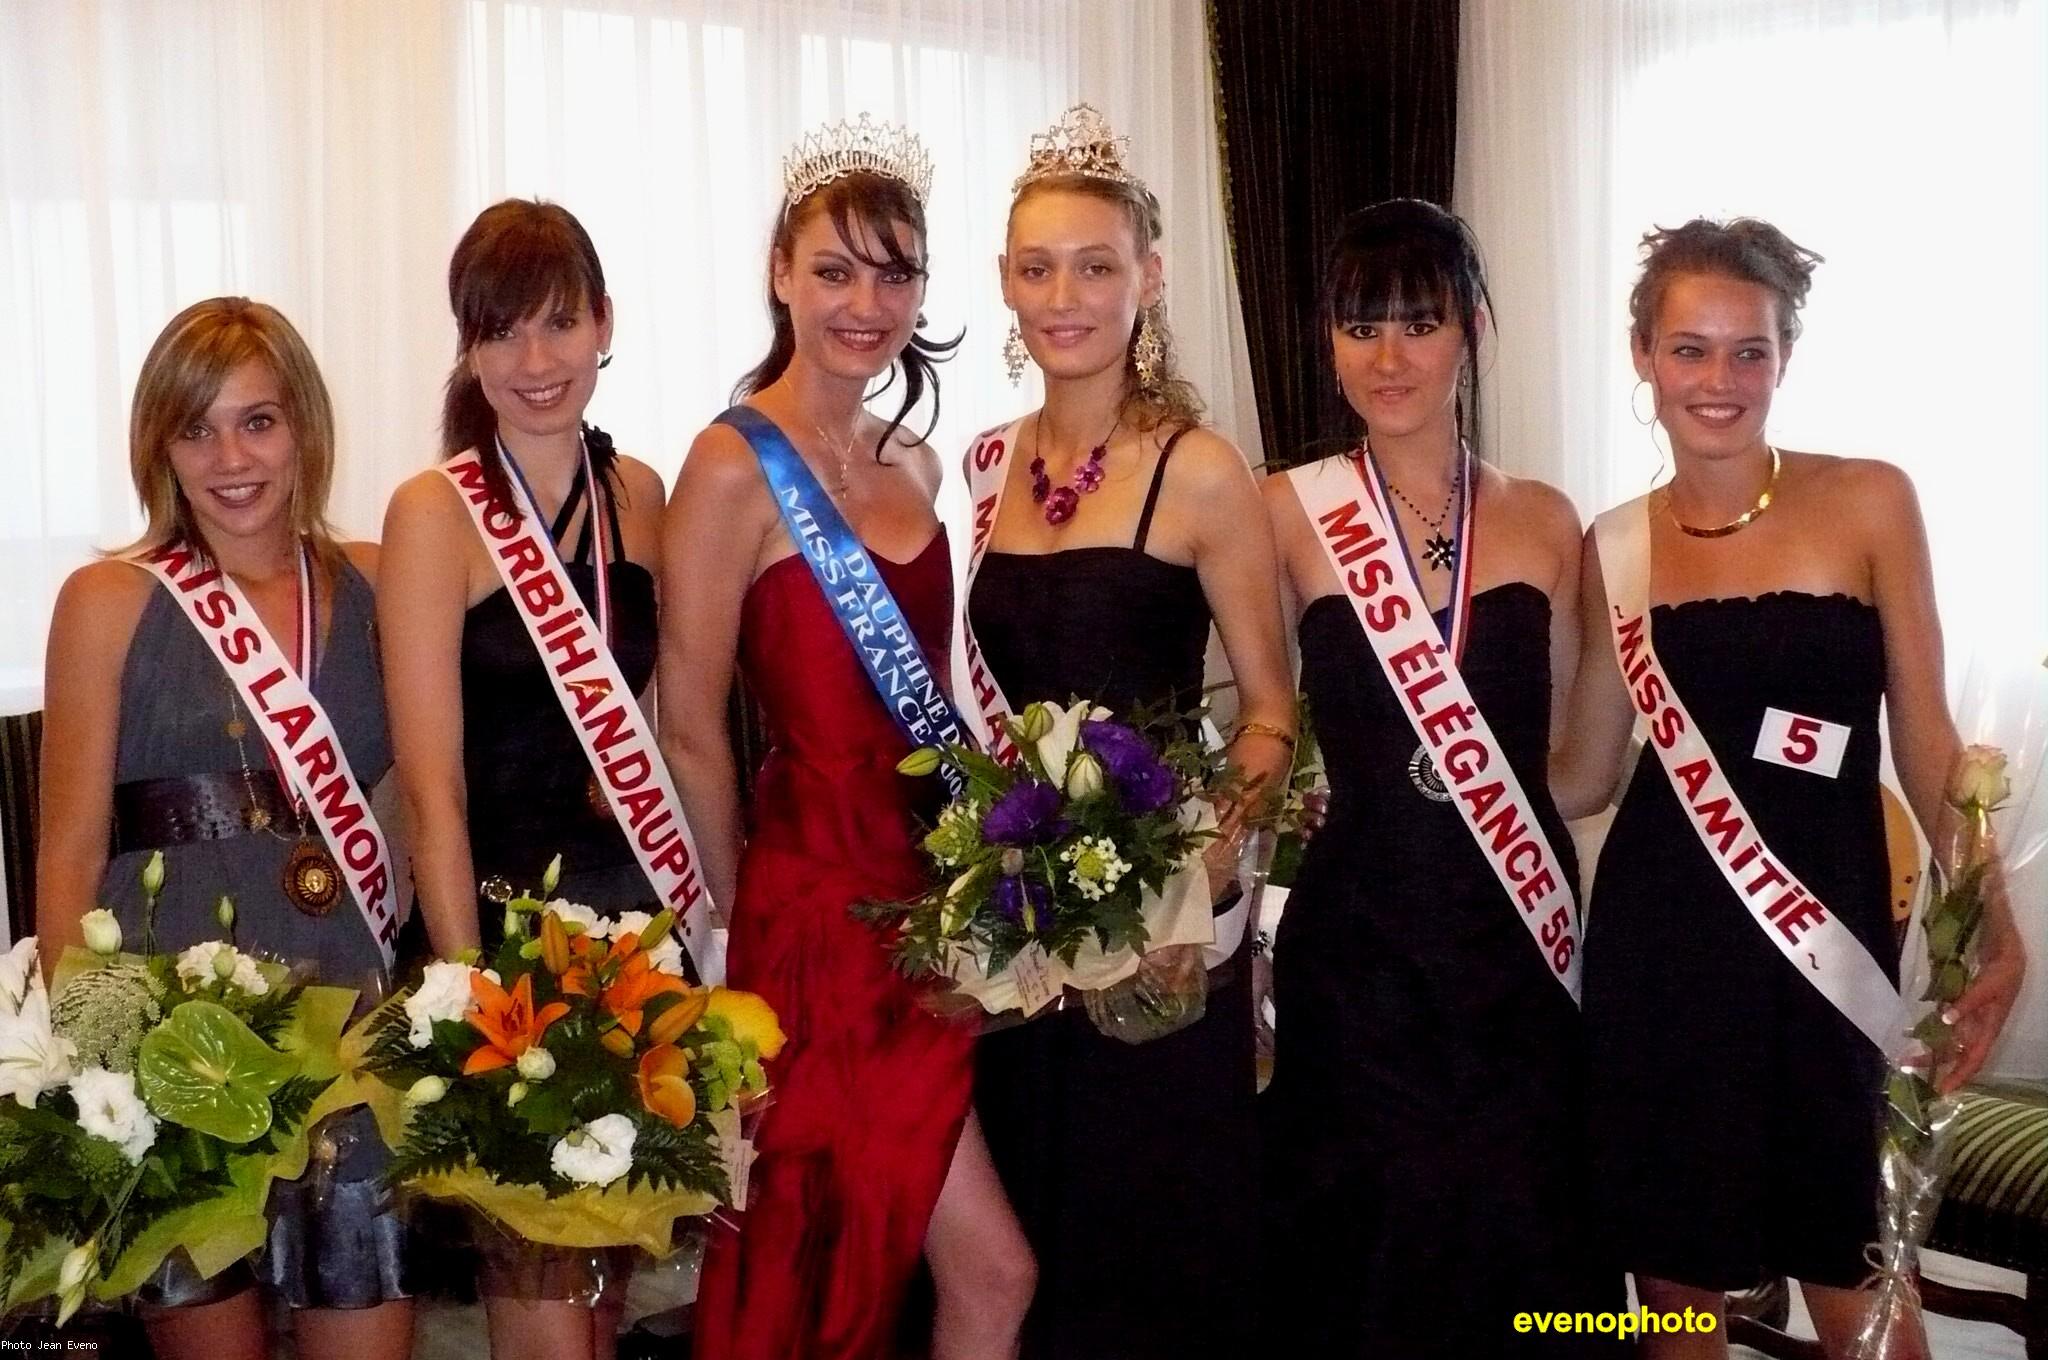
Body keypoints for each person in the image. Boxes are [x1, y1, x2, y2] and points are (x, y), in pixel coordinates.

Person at [1551, 217, 2027, 1359]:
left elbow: (1923, 742)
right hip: (1662, 947)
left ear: (1784, 357)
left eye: (1746, 351)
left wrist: (1996, 932)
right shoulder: (1610, 545)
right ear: (1640, 357)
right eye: (1687, 349)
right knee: (1678, 1296)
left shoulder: (1867, 499)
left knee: (1855, 1281)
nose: (1717, 381)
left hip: (1827, 943)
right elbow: (1583, 771)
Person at [665, 116, 1032, 1360]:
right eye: (835, 270)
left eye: (895, 272)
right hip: (809, 920)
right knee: (836, 1259)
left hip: (924, 907)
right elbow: (690, 724)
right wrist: (738, 917)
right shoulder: (725, 468)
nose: (865, 302)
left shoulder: (916, 463)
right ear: (780, 273)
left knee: (956, 1271)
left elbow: (934, 692)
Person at [959, 103, 1295, 1360]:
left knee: (1147, 1247)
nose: (1065, 296)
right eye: (1037, 268)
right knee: (1024, 1247)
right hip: (1014, 939)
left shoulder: (1198, 469)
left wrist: (1191, 878)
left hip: (1150, 936)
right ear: (1004, 282)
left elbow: (1268, 711)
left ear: (1146, 280)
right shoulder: (979, 471)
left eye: (1094, 266)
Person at [1258, 199, 1618, 1354]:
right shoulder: (1284, 512)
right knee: (1364, 1248)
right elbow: (1256, 731)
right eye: (1360, 327)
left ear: (1469, 328)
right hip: (1354, 958)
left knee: (1525, 1241)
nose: (1388, 357)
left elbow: (1571, 763)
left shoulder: (1550, 522)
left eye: (1417, 322)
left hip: (1516, 953)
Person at [38, 296, 413, 1360]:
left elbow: (424, 794)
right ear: (158, 444)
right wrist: (93, 1068)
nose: (229, 456)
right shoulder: (108, 599)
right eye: (195, 427)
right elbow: (67, 843)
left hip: (348, 1034)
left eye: (258, 420)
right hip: (170, 1049)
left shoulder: (383, 580)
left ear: (305, 426)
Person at [379, 199, 672, 1360]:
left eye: (560, 323)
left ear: (606, 323)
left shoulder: (639, 493)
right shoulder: (432, 513)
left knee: (602, 1294)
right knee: (539, 1298)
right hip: (498, 936)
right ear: (467, 347)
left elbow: (651, 724)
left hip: (632, 927)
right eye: (502, 332)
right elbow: (430, 785)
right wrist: (466, 996)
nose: (536, 361)